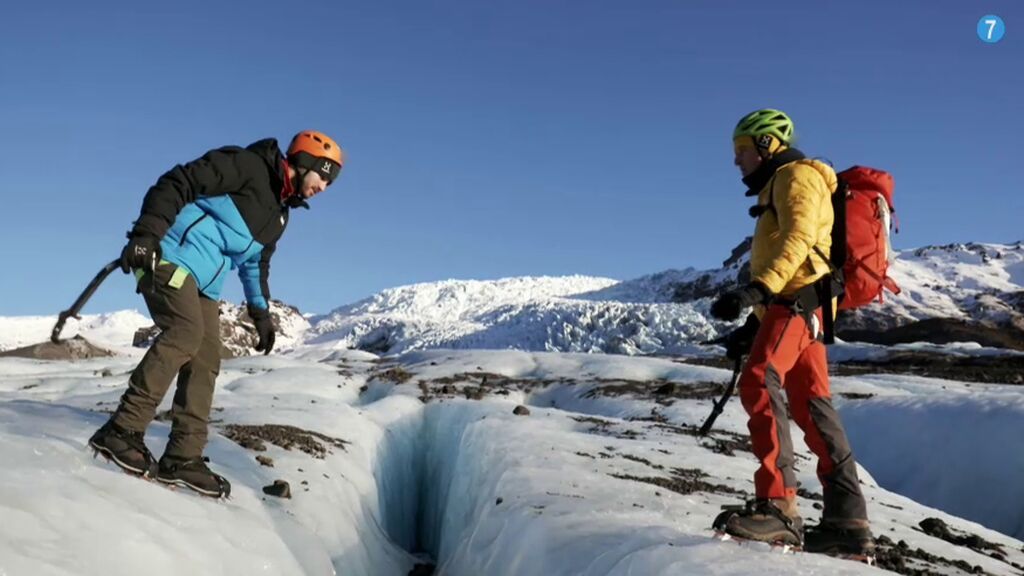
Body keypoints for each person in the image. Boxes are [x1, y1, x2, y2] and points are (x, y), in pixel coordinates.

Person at [88, 131, 344, 498]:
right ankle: (122, 430)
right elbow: (179, 181)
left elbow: (256, 264)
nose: (324, 186)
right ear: (303, 163)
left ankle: (183, 457)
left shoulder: (279, 216)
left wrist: (261, 314)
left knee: (207, 358)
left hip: (204, 283)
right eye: (323, 175)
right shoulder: (247, 166)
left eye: (329, 181)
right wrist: (146, 234)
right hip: (166, 255)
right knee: (185, 333)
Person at [709, 109, 873, 556]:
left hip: (799, 299)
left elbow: (799, 239)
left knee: (760, 379)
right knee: (813, 407)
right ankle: (847, 521)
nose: (736, 161)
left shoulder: (795, 176)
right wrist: (754, 322)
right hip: (800, 304)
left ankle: (778, 508)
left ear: (767, 145)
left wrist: (757, 289)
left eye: (741, 150)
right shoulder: (781, 184)